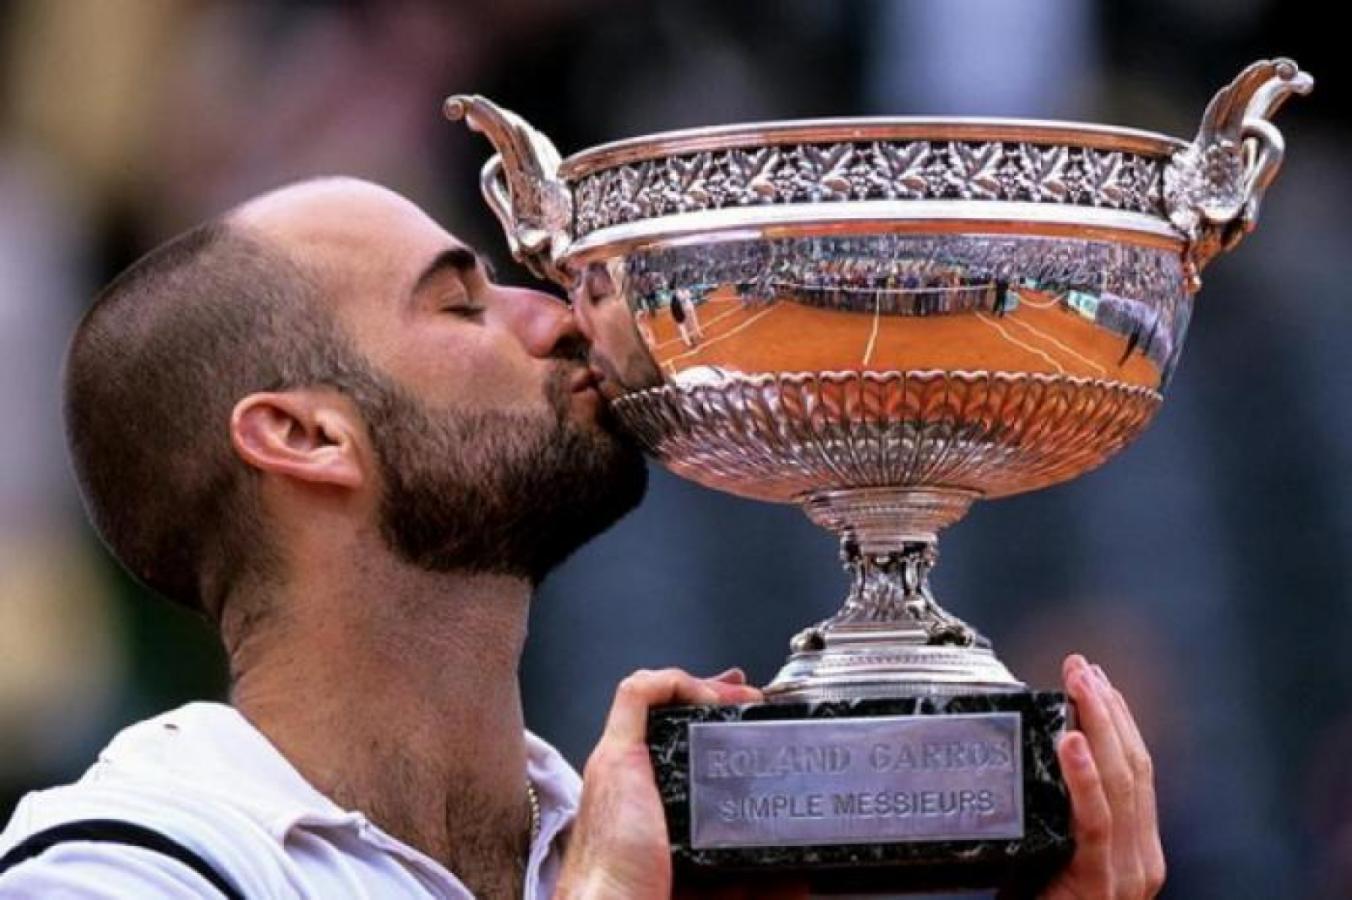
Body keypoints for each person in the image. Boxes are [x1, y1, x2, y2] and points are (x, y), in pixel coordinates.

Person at [0, 177, 1164, 899]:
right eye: (461, 303)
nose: (556, 318)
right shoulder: (122, 867)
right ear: (306, 435)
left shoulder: (629, 836)